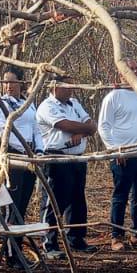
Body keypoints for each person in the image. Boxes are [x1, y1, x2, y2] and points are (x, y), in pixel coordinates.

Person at [35, 75, 96, 257]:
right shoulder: (47, 106)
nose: (71, 89)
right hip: (57, 157)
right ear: (55, 86)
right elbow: (63, 124)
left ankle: (76, 238)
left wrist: (81, 131)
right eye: (67, 86)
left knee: (77, 200)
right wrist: (81, 129)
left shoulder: (74, 103)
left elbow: (91, 125)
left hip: (77, 157)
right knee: (54, 201)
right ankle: (49, 243)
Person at [96, 66, 137, 250]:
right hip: (124, 156)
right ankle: (117, 236)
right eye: (130, 69)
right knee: (120, 196)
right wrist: (115, 150)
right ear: (121, 73)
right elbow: (103, 126)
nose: (135, 72)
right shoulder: (114, 97)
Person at [0, 67, 40, 223]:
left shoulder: (28, 103)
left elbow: (37, 128)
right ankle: (8, 246)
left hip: (31, 156)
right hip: (13, 155)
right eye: (6, 82)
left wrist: (38, 150)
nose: (8, 86)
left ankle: (17, 244)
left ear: (21, 83)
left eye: (12, 82)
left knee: (23, 201)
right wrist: (22, 149)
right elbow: (4, 132)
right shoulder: (1, 104)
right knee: (11, 203)